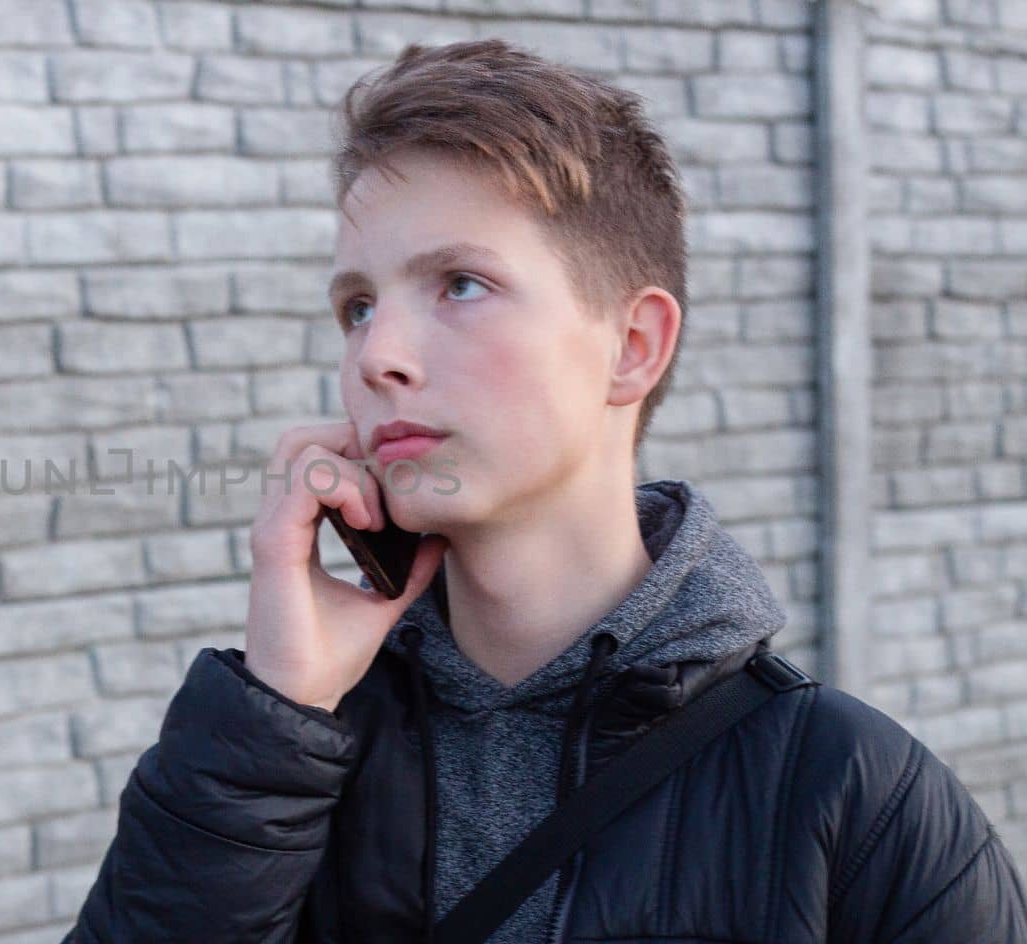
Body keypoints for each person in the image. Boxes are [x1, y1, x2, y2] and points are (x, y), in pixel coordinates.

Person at [60, 38, 1027, 943]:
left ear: (633, 346)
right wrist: (275, 713)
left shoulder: (853, 797)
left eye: (461, 285)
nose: (378, 356)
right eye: (358, 306)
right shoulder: (281, 762)